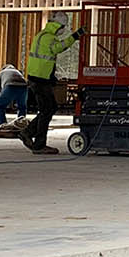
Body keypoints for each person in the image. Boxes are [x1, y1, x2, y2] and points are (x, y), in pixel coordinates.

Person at [21, 15, 84, 155]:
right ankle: (38, 144)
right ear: (59, 26)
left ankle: (28, 133)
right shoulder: (49, 38)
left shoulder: (41, 35)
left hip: (37, 78)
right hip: (40, 80)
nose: (63, 30)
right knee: (47, 110)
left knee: (47, 109)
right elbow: (57, 49)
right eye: (63, 27)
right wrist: (74, 37)